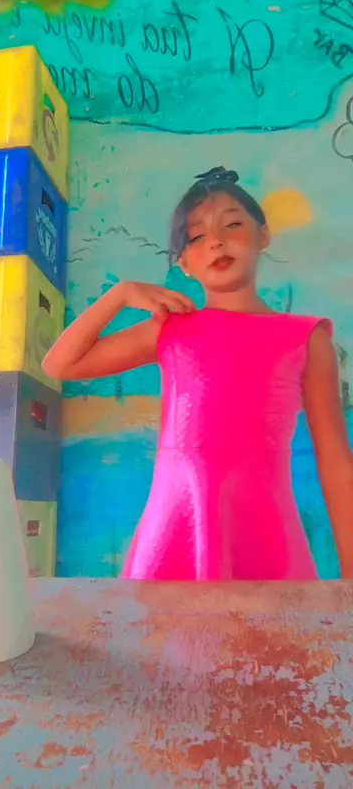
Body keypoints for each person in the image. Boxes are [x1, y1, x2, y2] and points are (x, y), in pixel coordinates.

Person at [42, 167, 353, 580]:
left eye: (232, 225)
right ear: (184, 263)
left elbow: (335, 460)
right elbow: (59, 364)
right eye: (196, 236)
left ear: (263, 235)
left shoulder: (306, 338)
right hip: (174, 536)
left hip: (266, 536)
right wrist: (119, 296)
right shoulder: (171, 330)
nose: (216, 241)